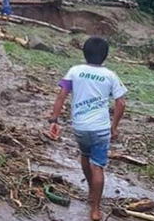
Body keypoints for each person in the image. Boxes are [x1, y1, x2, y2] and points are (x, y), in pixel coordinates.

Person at [48, 37, 127, 221]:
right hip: (100, 129)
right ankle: (95, 209)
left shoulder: (75, 71)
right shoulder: (110, 75)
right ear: (105, 56)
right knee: (98, 166)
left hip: (80, 127)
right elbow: (121, 103)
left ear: (84, 53)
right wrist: (114, 127)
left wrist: (54, 118)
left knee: (85, 155)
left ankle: (91, 190)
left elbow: (62, 95)